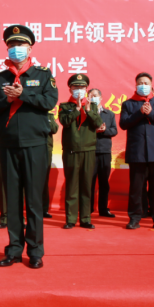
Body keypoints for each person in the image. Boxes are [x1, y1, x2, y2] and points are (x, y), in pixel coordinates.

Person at [0, 25, 58, 269]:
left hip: (35, 144)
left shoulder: (43, 74)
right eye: (12, 45)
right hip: (8, 145)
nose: (16, 49)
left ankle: (35, 251)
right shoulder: (1, 78)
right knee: (13, 201)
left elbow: (49, 101)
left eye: (20, 45)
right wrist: (7, 99)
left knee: (34, 201)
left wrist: (23, 94)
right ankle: (14, 250)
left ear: (30, 48)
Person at [119, 72, 154, 230]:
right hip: (137, 153)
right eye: (140, 83)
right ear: (136, 85)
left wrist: (151, 113)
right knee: (136, 188)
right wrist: (139, 113)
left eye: (146, 83)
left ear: (151, 85)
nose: (143, 86)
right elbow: (123, 124)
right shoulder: (128, 104)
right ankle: (134, 218)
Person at [58, 74, 102, 230]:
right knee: (72, 185)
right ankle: (70, 219)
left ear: (86, 89)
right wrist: (77, 109)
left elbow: (98, 123)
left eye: (82, 87)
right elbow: (64, 121)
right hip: (71, 150)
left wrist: (89, 110)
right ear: (70, 89)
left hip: (88, 149)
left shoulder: (93, 106)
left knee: (86, 185)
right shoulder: (64, 106)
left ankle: (85, 218)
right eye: (76, 87)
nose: (79, 90)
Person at [89, 88, 118, 217]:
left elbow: (114, 130)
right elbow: (81, 130)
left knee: (104, 182)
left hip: (105, 151)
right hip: (90, 151)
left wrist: (104, 130)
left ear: (101, 98)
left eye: (95, 95)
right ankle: (88, 209)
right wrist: (94, 131)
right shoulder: (86, 113)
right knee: (89, 182)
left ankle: (103, 209)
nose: (93, 98)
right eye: (90, 96)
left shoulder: (109, 114)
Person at [42, 109, 58, 218]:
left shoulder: (49, 116)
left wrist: (44, 120)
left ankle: (44, 209)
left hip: (46, 149)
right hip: (32, 147)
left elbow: (54, 129)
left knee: (44, 179)